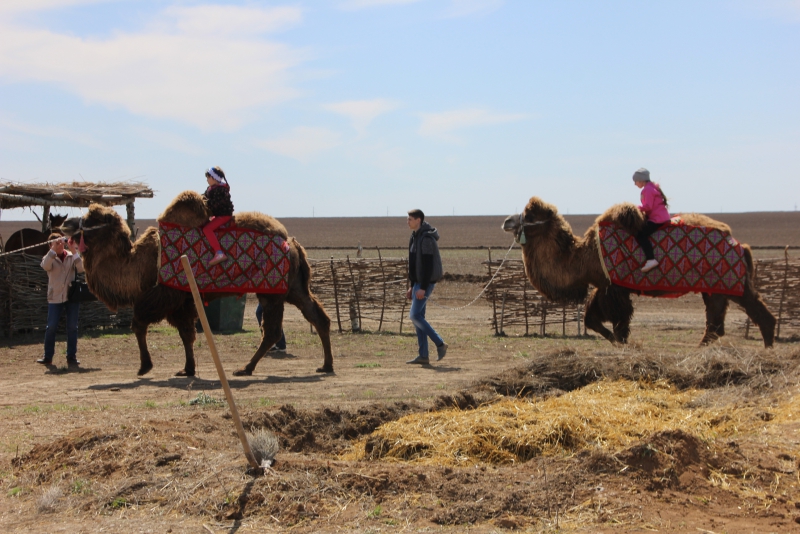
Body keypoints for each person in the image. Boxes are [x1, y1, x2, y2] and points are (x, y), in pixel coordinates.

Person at [405, 209, 447, 365]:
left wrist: (422, 287)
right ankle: (423, 355)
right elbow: (414, 264)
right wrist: (412, 286)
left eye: (410, 219)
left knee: (414, 316)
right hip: (417, 284)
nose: (407, 221)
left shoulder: (427, 238)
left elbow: (428, 265)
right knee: (419, 319)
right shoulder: (415, 237)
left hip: (425, 284)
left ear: (418, 220)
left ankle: (440, 344)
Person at [38, 234, 83, 366]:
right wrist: (52, 250)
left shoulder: (71, 256)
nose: (60, 245)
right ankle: (48, 356)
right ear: (50, 245)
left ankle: (71, 357)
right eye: (57, 243)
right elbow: (45, 266)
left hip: (71, 296)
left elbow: (81, 268)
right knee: (51, 327)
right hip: (55, 296)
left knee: (72, 327)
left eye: (62, 243)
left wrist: (74, 250)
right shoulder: (49, 257)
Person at [632, 168, 670, 273]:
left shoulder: (647, 190)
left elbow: (648, 207)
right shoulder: (652, 187)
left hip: (657, 219)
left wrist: (634, 208)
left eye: (635, 181)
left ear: (641, 180)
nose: (635, 184)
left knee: (640, 234)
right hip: (661, 217)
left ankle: (650, 259)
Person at [202, 166, 234, 267]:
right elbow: (203, 198)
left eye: (208, 177)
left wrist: (206, 206)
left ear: (214, 178)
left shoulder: (220, 190)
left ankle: (219, 253)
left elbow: (215, 204)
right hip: (218, 215)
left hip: (223, 215)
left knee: (207, 229)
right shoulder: (211, 189)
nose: (207, 180)